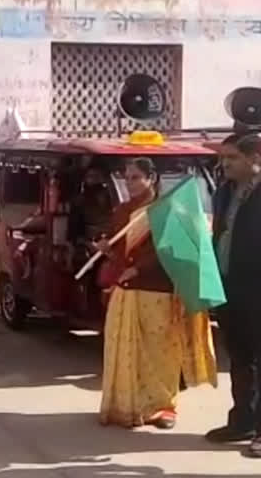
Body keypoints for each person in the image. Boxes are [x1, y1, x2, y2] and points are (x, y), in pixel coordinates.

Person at [96, 157, 217, 429]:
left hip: (157, 289)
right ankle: (126, 406)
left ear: (151, 179)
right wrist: (107, 250)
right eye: (127, 178)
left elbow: (169, 249)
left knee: (160, 350)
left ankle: (164, 408)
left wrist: (138, 269)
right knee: (123, 349)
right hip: (124, 289)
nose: (130, 183)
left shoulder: (166, 210)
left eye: (136, 177)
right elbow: (120, 250)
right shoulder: (122, 211)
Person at [206, 133, 261, 456]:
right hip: (229, 285)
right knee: (241, 359)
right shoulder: (225, 192)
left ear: (255, 158)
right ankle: (242, 422)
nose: (224, 164)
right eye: (223, 158)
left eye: (232, 158)